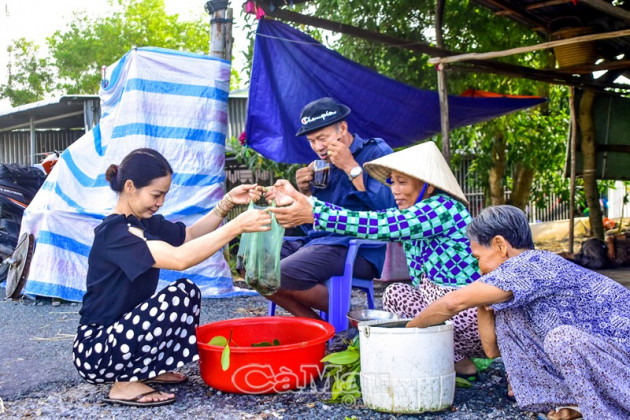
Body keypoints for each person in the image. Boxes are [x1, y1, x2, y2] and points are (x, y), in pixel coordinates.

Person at [267, 141, 485, 378]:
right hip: (438, 309)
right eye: (392, 182)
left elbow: (383, 226)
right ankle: (457, 362)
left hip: (468, 311)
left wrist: (315, 213)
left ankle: (450, 354)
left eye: (403, 182)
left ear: (428, 187)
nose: (395, 190)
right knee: (395, 293)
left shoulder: (442, 208)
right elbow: (369, 217)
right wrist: (308, 202)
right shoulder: (411, 211)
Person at [73, 148, 271, 407]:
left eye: (164, 195)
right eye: (156, 194)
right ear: (130, 187)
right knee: (177, 294)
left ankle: (148, 369)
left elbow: (188, 236)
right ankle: (123, 385)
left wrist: (228, 204)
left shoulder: (142, 222)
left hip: (120, 337)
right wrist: (237, 226)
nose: (161, 202)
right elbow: (180, 259)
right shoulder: (114, 233)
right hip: (96, 350)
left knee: (186, 292)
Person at [406, 205, 630, 420]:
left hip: (623, 363)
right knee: (512, 316)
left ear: (500, 245)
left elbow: (452, 303)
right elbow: (492, 350)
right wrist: (483, 304)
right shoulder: (515, 289)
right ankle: (576, 404)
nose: (479, 268)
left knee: (563, 340)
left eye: (478, 258)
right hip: (611, 363)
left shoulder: (532, 264)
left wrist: (405, 332)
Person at [266, 97, 396, 319]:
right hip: (318, 243)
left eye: (322, 138)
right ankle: (320, 327)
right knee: (253, 263)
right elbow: (313, 223)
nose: (318, 147)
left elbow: (391, 208)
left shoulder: (376, 152)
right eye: (311, 141)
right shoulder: (321, 166)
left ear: (342, 128)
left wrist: (351, 168)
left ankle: (343, 317)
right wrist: (303, 194)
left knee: (279, 273)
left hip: (358, 249)